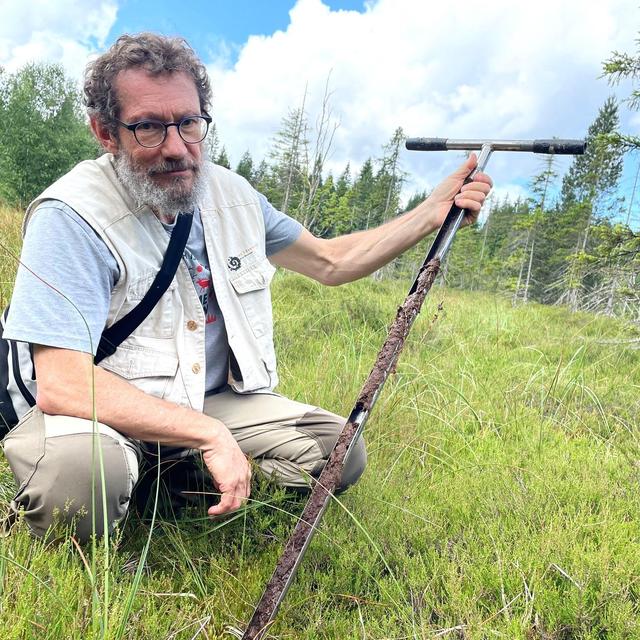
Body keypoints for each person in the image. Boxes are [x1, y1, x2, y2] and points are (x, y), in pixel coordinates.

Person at [1, 33, 492, 542]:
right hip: (97, 411)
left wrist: (430, 214)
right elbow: (64, 385)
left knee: (336, 450)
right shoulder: (73, 215)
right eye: (148, 127)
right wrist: (209, 433)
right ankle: (122, 481)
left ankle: (171, 481)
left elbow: (332, 261)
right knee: (79, 481)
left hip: (200, 398)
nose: (176, 147)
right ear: (106, 132)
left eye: (189, 123)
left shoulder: (234, 197)